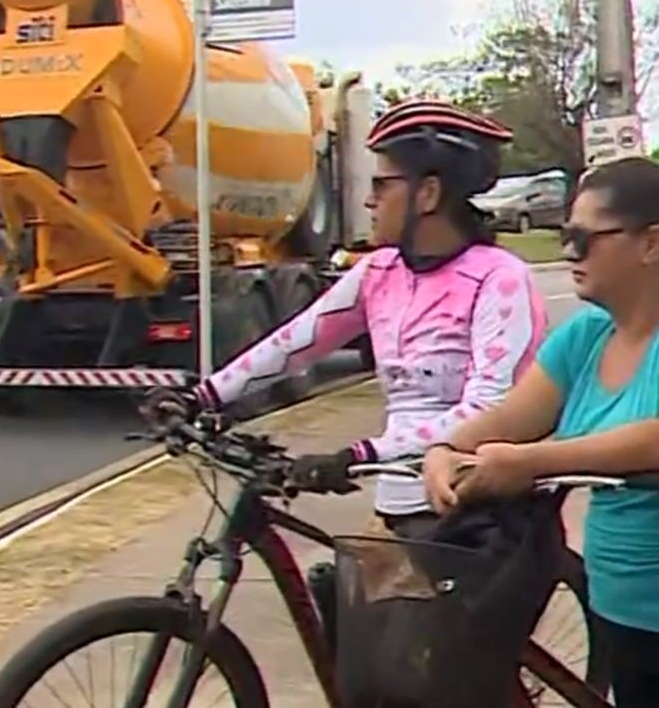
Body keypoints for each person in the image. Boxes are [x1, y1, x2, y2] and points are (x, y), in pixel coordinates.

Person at [145, 99, 545, 537]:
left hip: (469, 507)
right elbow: (294, 343)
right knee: (341, 594)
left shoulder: (499, 277)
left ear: (428, 194)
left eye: (382, 186)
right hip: (395, 497)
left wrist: (360, 454)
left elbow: (492, 406)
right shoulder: (379, 271)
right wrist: (203, 397)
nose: (369, 201)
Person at [422, 156, 659, 703]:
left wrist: (533, 462)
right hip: (620, 609)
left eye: (585, 237)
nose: (568, 252)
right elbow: (509, 418)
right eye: (564, 234)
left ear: (650, 244)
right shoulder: (584, 338)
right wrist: (446, 448)